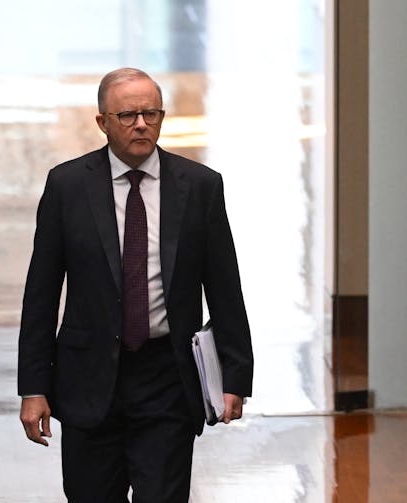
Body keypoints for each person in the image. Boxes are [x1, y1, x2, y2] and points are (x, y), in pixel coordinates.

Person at [18, 67, 253, 502]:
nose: (141, 124)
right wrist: (34, 387)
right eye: (127, 115)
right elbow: (41, 294)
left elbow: (225, 288)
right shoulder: (68, 186)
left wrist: (236, 376)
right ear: (102, 122)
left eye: (151, 113)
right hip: (89, 378)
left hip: (168, 377)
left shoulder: (199, 186)